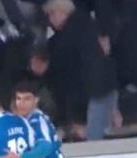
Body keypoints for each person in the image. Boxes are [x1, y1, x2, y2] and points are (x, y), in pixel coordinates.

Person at [44, 0, 119, 141]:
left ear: (61, 12)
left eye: (51, 14)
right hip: (104, 89)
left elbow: (75, 77)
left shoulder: (68, 37)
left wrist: (77, 117)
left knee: (92, 141)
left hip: (93, 95)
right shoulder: (87, 26)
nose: (50, 20)